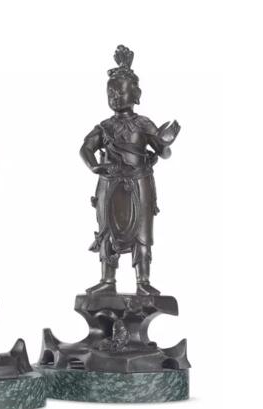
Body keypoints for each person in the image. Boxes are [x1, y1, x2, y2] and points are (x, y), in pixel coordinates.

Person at [80, 45, 180, 296]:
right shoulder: (105, 126)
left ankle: (143, 281)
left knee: (142, 232)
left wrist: (165, 142)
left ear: (135, 93)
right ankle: (107, 280)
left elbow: (162, 151)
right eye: (110, 92)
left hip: (138, 182)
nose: (115, 97)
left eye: (120, 91)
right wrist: (94, 165)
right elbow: (85, 148)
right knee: (107, 231)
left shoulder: (143, 124)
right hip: (110, 183)